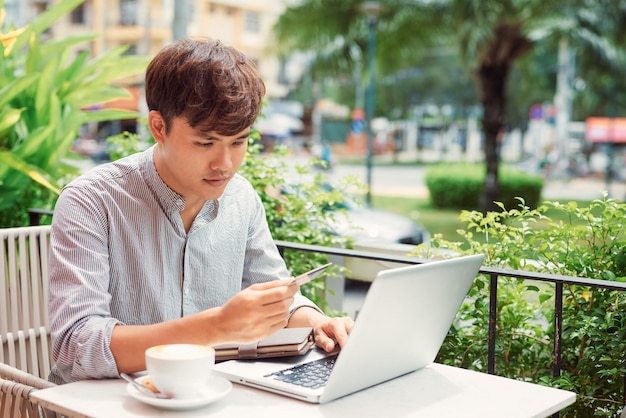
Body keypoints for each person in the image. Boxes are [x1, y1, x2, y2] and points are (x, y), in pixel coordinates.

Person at [48, 38, 353, 385]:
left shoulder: (242, 199)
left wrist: (318, 322)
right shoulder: (91, 201)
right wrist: (216, 327)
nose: (225, 164)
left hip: (204, 399)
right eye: (205, 143)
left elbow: (278, 295)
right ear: (158, 127)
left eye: (239, 142)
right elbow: (76, 347)